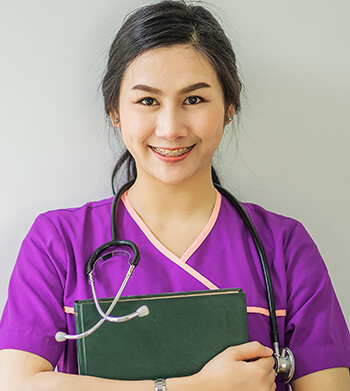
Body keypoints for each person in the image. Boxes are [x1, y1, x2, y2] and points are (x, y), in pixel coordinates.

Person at [0, 1, 349, 390]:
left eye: (194, 100)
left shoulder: (284, 247)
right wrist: (194, 387)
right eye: (147, 100)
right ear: (115, 110)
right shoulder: (59, 241)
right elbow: (17, 382)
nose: (170, 128)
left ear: (229, 106)